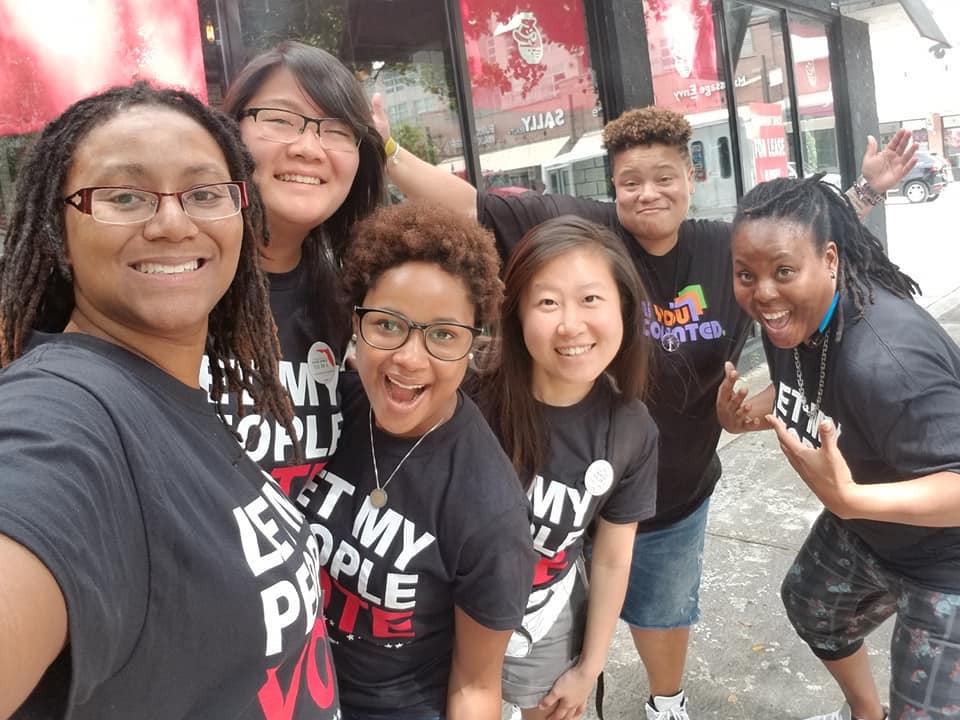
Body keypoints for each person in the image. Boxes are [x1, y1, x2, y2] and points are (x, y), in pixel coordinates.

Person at [372, 98, 916, 718]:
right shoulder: (585, 230)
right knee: (536, 615)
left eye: (664, 177)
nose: (648, 194)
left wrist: (865, 193)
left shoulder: (724, 248)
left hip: (669, 479)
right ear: (614, 188)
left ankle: (666, 702)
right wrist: (389, 152)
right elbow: (471, 204)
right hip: (548, 476)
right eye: (631, 182)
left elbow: (803, 242)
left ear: (692, 178)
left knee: (661, 606)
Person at [0, 84, 338, 719]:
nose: (174, 223)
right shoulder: (64, 417)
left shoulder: (174, 391)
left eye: (206, 193)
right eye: (124, 196)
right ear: (58, 232)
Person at [718, 176, 960, 720]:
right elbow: (796, 390)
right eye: (745, 275)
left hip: (948, 565)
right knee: (813, 606)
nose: (763, 294)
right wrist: (745, 414)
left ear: (829, 260)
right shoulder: (794, 324)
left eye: (783, 272)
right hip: (869, 528)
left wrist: (851, 500)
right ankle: (863, 713)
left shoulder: (888, 361)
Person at [294, 201, 537, 720]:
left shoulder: (488, 510)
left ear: (473, 344)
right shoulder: (327, 413)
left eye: (444, 335)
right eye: (387, 325)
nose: (409, 358)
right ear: (356, 323)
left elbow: (474, 687)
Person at [470, 216, 659, 719]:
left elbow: (613, 558)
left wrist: (588, 668)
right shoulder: (470, 397)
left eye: (591, 299)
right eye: (548, 302)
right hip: (450, 611)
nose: (570, 325)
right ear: (517, 314)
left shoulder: (630, 429)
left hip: (545, 616)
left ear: (623, 305)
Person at [214, 41, 385, 495]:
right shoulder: (186, 286)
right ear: (230, 132)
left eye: (336, 129)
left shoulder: (350, 301)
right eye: (280, 120)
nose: (309, 148)